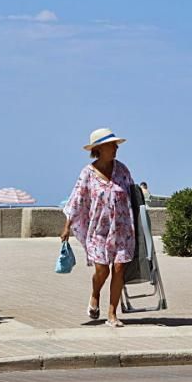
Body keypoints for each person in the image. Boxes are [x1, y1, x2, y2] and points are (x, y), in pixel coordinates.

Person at [61, 128, 136, 328]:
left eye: (115, 144)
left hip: (123, 230)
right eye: (112, 145)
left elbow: (134, 197)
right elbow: (76, 200)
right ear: (100, 149)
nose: (115, 148)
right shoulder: (87, 173)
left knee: (119, 269)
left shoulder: (122, 170)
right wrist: (67, 226)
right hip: (98, 231)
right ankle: (95, 294)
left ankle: (112, 314)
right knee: (102, 270)